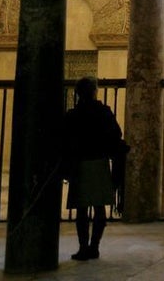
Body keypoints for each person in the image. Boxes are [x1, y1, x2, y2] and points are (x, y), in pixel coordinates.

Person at [62, 76, 124, 262]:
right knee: (99, 208)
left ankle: (83, 248)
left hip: (79, 164)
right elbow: (117, 134)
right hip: (99, 162)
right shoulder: (103, 112)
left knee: (82, 210)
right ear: (94, 91)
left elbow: (65, 139)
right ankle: (94, 247)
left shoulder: (73, 115)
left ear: (78, 93)